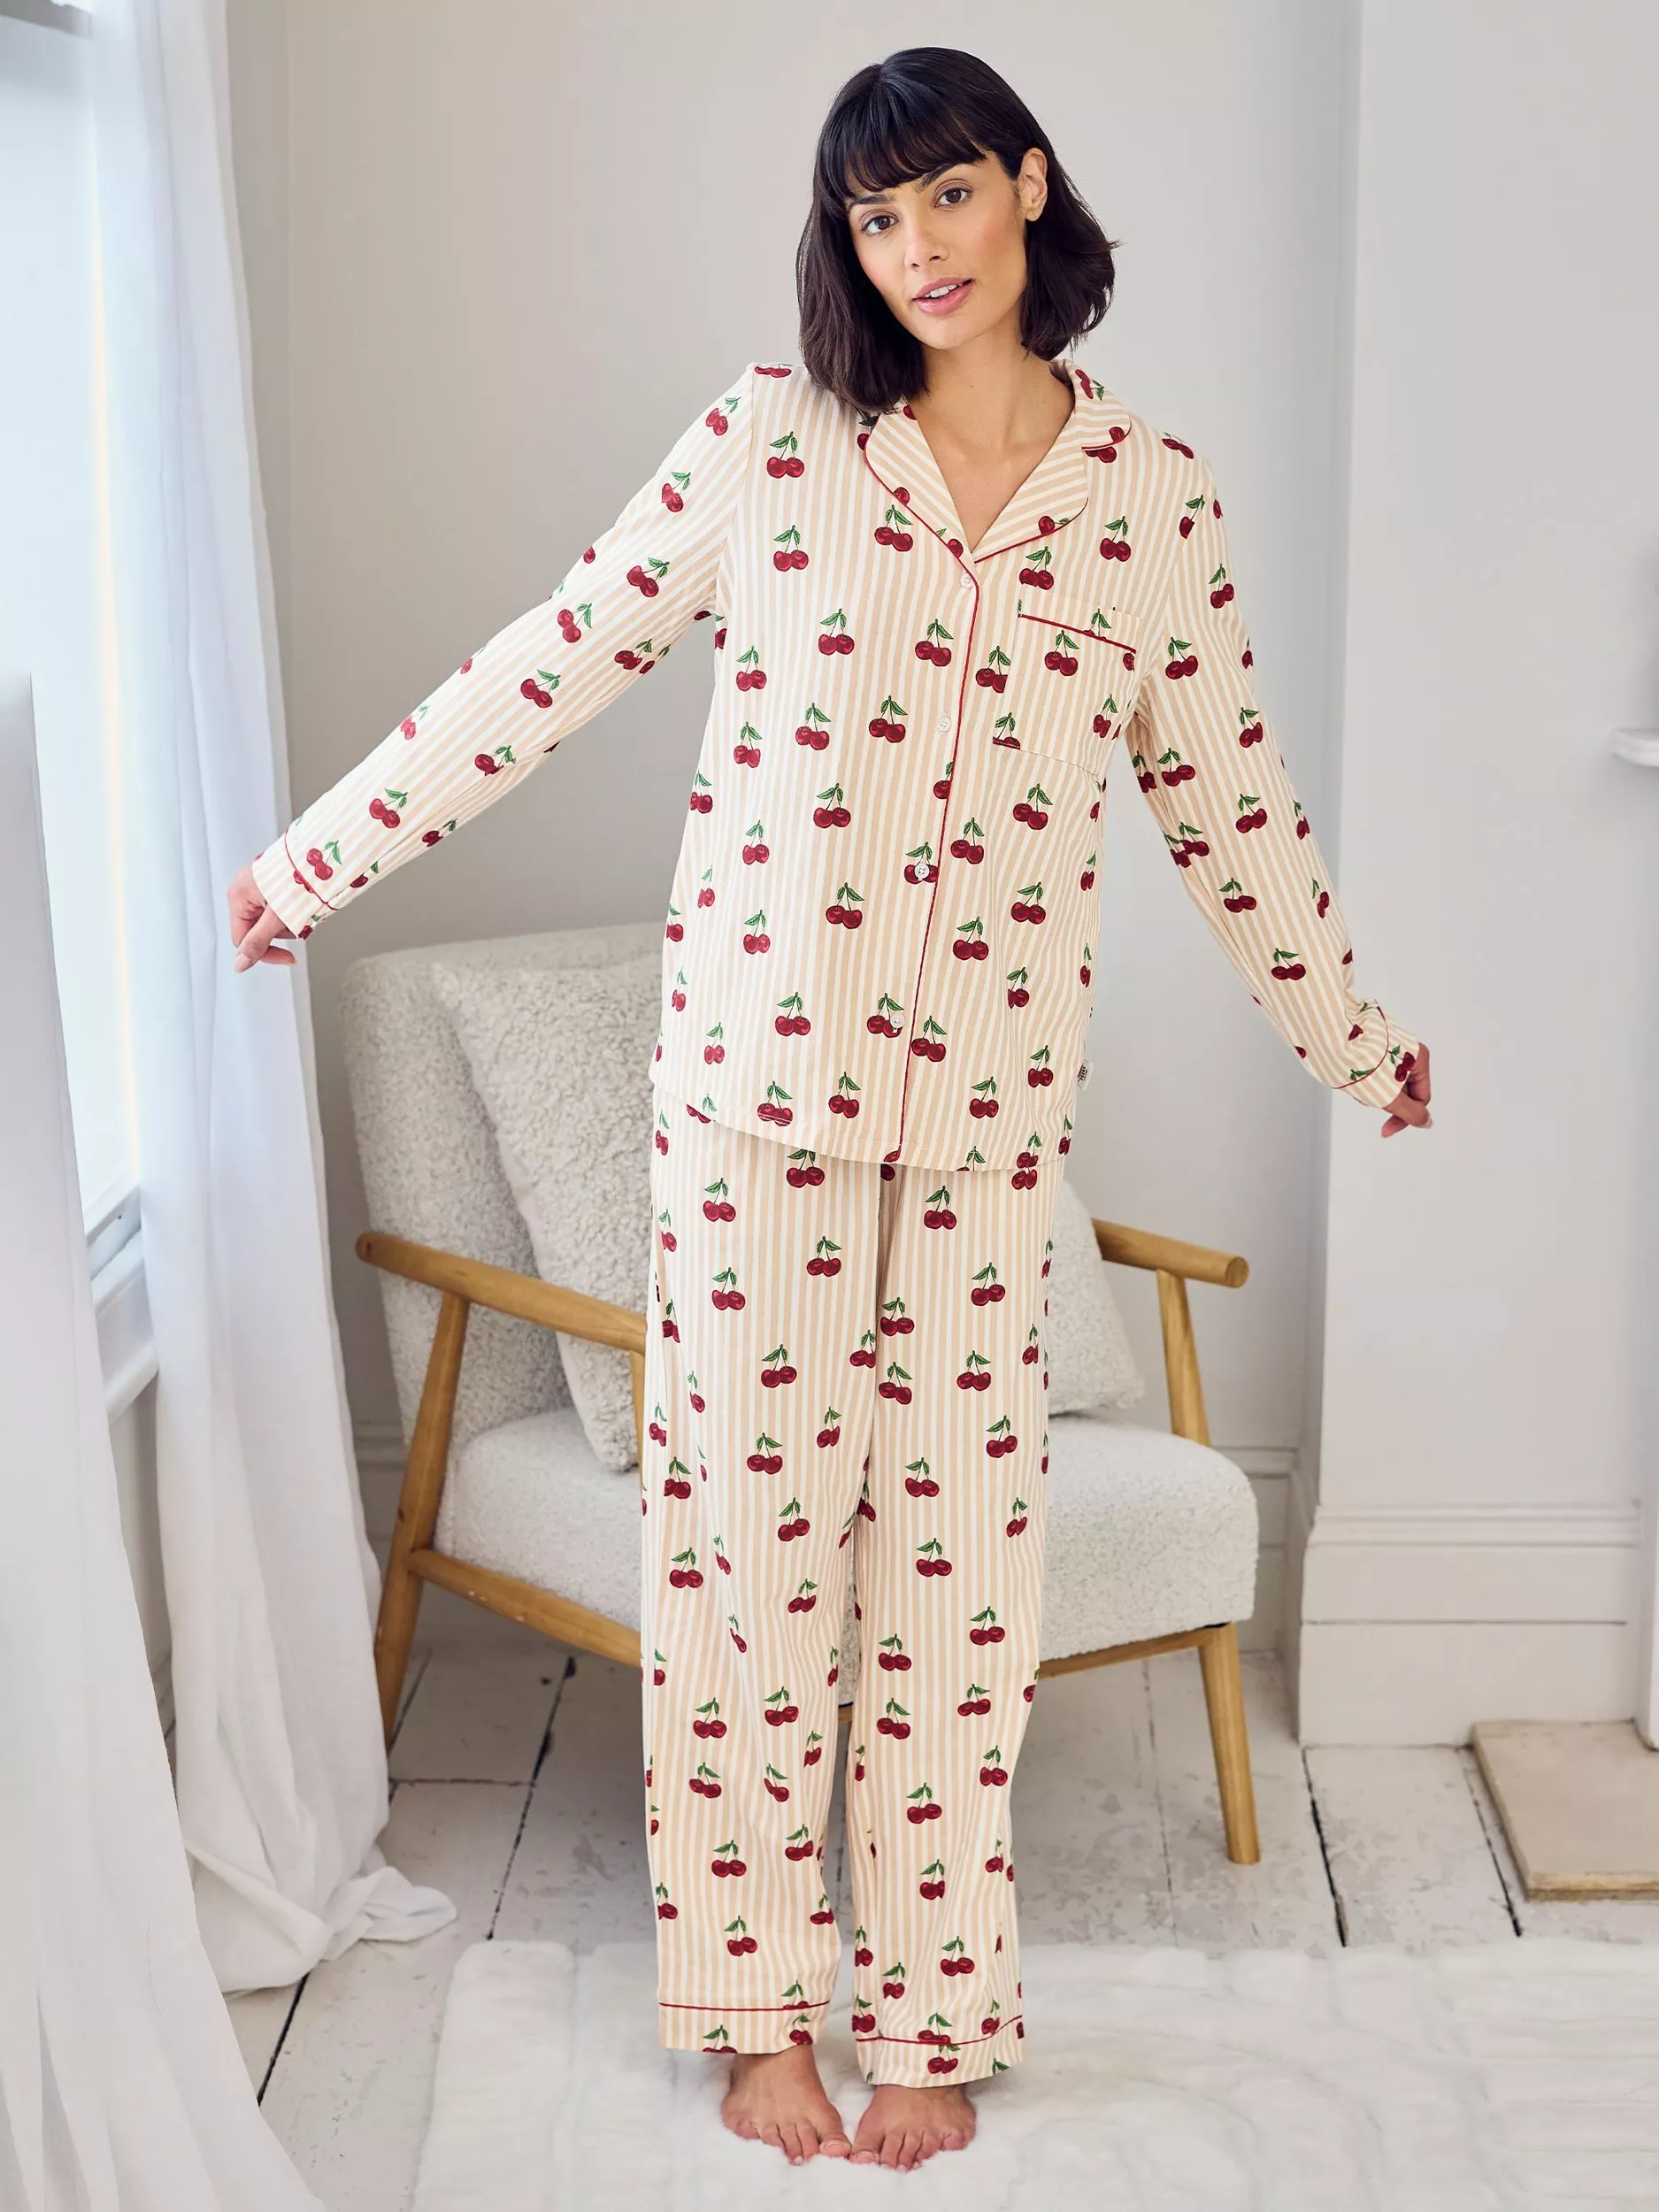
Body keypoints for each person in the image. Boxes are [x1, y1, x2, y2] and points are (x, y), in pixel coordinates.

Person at [228, 43, 1431, 2177]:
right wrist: (316, 859)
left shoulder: (1149, 501)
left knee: (961, 1588)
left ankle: (934, 2015)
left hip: (985, 1124)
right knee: (747, 1571)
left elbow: (1232, 806)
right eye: (875, 219)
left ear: (1028, 186)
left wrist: (1354, 1033)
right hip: (755, 1110)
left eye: (947, 196)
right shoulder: (771, 444)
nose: (917, 249)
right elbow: (551, 658)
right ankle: (757, 2005)